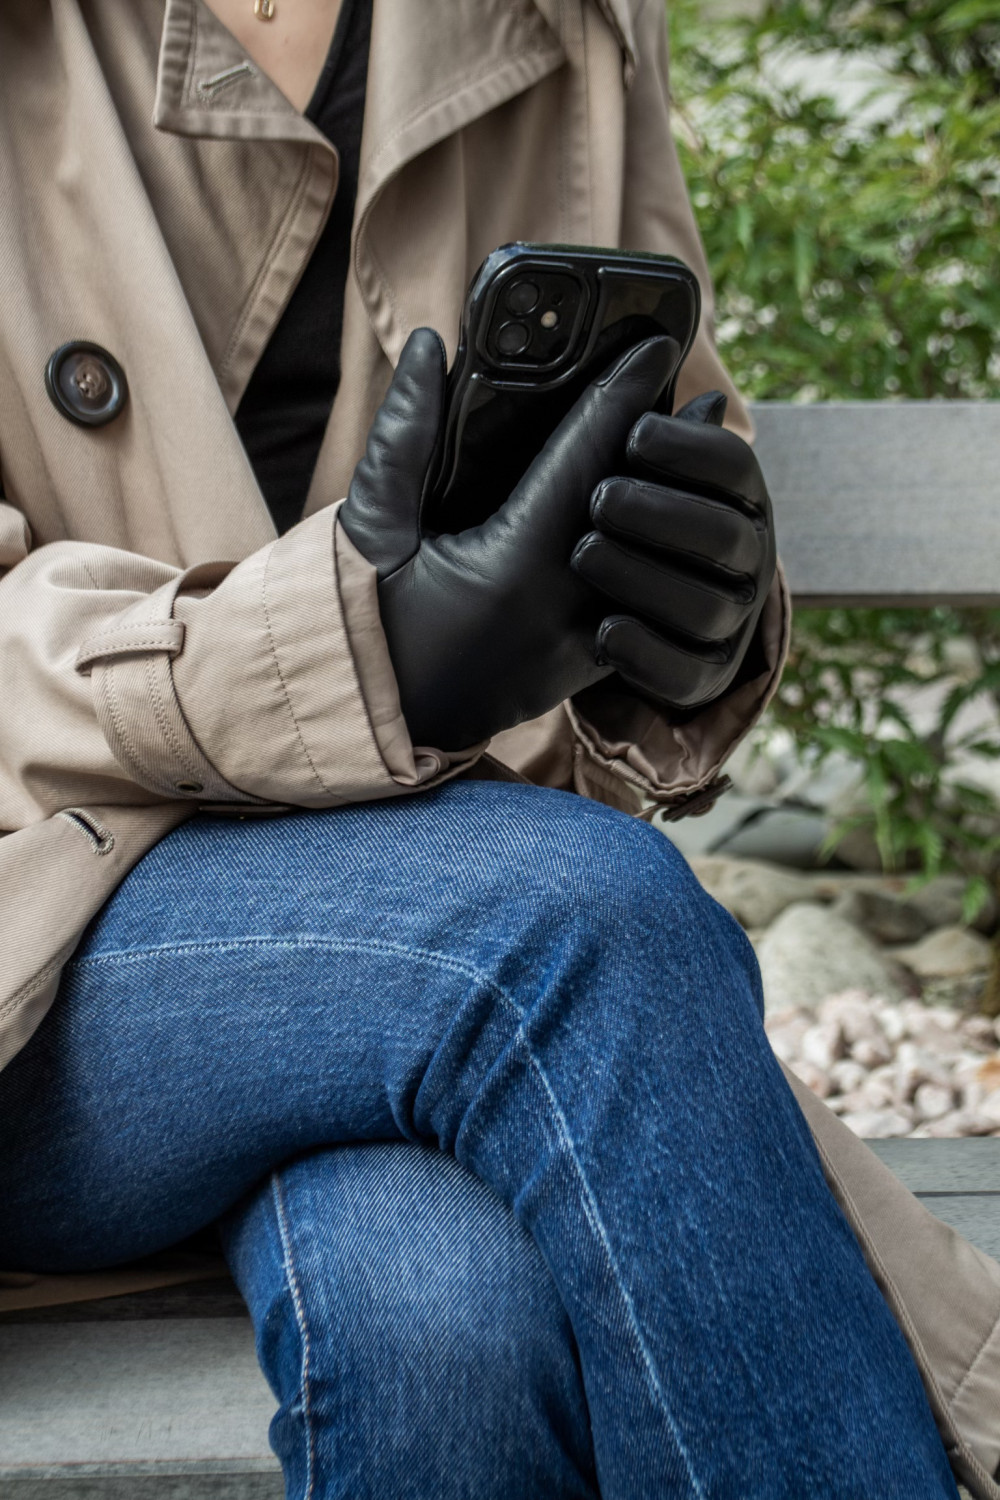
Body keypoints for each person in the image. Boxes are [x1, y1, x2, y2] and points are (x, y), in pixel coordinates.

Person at [0, 1, 999, 1496]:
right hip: (57, 946)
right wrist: (333, 653)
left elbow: (665, 409)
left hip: (400, 948)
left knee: (438, 1321)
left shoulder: (556, 16)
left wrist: (681, 628)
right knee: (580, 922)